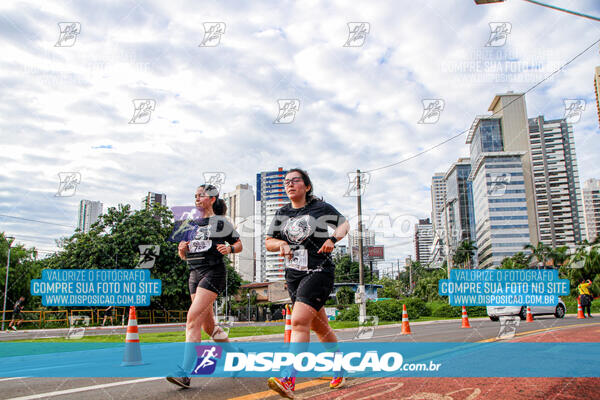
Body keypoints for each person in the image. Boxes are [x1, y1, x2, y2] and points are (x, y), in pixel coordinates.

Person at [265, 168, 350, 399]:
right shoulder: (282, 212)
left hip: (319, 270)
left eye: (295, 180)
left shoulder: (320, 208)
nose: (290, 184)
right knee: (320, 328)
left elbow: (344, 224)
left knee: (300, 320)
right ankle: (339, 366)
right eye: (286, 182)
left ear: (307, 186)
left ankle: (288, 378)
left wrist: (333, 239)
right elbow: (268, 241)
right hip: (294, 275)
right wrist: (280, 245)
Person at [166, 184, 243, 389]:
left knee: (192, 320)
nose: (197, 199)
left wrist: (229, 248)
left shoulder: (221, 222)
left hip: (213, 272)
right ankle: (235, 356)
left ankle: (185, 372)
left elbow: (238, 245)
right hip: (194, 273)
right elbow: (183, 254)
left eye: (201, 196)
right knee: (208, 326)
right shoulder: (190, 223)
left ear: (212, 198)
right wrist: (182, 250)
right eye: (195, 196)